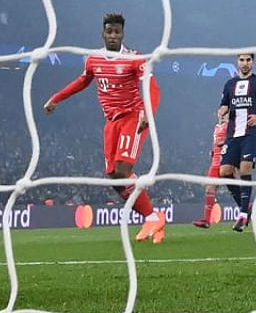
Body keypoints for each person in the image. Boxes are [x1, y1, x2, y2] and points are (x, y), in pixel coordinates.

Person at [44, 12, 166, 243]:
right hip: (111, 122)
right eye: (109, 31)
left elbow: (153, 86)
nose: (112, 36)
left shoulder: (134, 58)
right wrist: (56, 98)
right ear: (103, 33)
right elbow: (83, 81)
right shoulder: (93, 59)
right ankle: (154, 218)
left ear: (122, 34)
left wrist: (148, 113)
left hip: (133, 118)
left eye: (117, 32)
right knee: (112, 176)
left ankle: (151, 218)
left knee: (122, 171)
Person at [218, 52, 256, 233]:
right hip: (233, 134)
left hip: (251, 133)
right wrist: (222, 110)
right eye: (242, 60)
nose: (245, 63)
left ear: (253, 62)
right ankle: (246, 207)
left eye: (248, 60)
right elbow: (224, 105)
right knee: (224, 172)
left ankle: (243, 214)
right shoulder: (230, 84)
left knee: (245, 168)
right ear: (237, 62)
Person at [193, 110, 228, 229]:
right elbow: (216, 144)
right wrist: (214, 152)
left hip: (227, 161)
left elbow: (236, 141)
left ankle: (246, 207)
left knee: (234, 187)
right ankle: (207, 220)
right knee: (209, 189)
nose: (222, 116)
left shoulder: (232, 126)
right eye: (221, 114)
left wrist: (224, 142)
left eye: (225, 114)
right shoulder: (217, 127)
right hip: (215, 163)